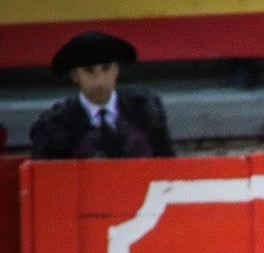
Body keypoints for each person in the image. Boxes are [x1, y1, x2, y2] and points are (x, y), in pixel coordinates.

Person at [29, 31, 174, 160]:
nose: (99, 80)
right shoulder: (54, 125)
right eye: (89, 71)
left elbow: (168, 167)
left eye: (106, 69)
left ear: (116, 70)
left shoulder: (145, 110)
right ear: (75, 76)